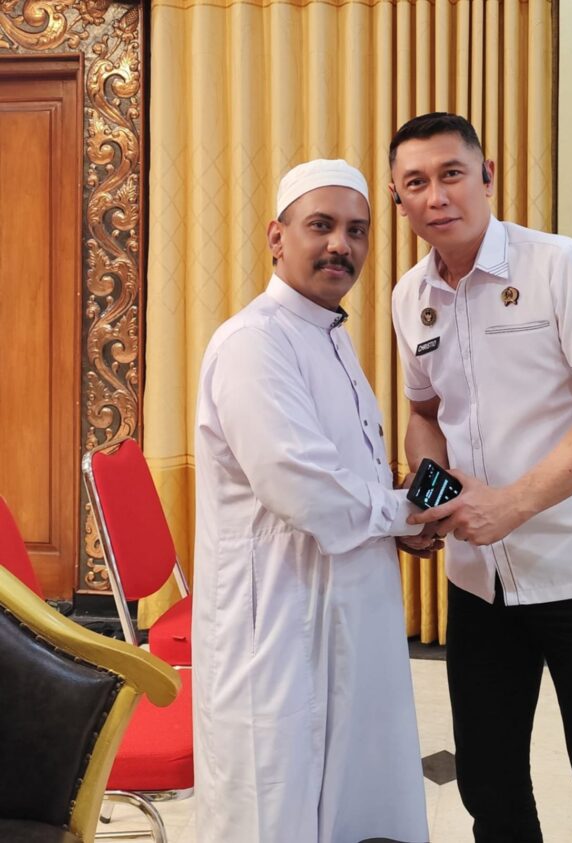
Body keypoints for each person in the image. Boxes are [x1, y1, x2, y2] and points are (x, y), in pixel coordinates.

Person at [389, 113, 572, 843]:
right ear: (398, 200)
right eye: (416, 182)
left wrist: (511, 505)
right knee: (489, 785)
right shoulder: (409, 296)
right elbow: (424, 412)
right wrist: (428, 492)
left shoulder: (561, 266)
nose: (436, 195)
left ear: (487, 177)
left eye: (451, 173)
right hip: (478, 582)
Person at [192, 159, 432, 843]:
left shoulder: (327, 334)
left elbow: (345, 473)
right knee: (274, 807)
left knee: (353, 800)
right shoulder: (253, 343)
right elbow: (299, 484)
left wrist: (399, 518)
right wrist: (403, 513)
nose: (340, 245)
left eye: (356, 231)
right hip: (275, 625)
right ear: (277, 236)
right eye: (320, 225)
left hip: (346, 611)